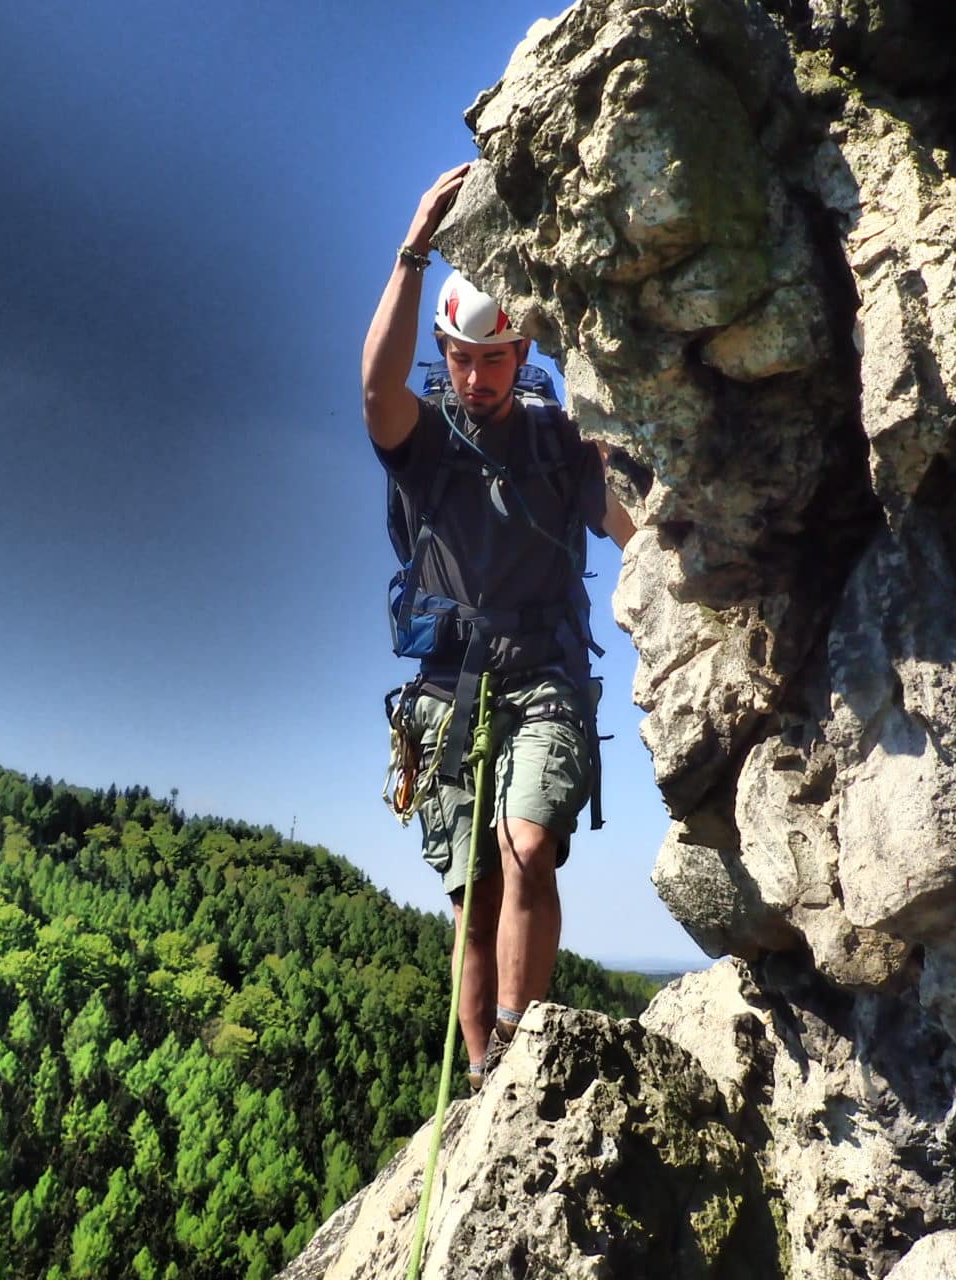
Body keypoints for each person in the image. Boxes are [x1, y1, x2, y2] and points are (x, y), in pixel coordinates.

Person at [363, 162, 634, 1092]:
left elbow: (630, 524)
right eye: (461, 359)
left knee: (527, 846)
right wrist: (413, 249)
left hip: (546, 670)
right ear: (446, 355)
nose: (475, 376)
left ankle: (518, 1051)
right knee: (471, 901)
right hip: (448, 690)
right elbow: (374, 387)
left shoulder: (563, 440)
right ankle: (481, 1080)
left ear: (523, 355)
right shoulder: (426, 441)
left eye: (493, 358)